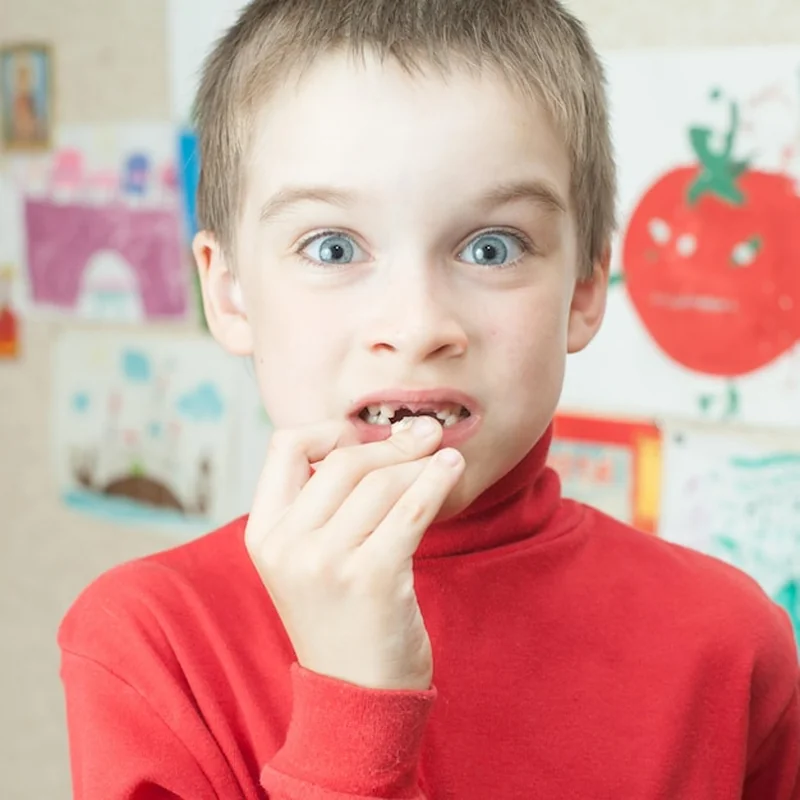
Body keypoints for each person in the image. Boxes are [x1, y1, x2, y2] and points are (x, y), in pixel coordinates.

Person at [58, 1, 800, 797]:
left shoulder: (731, 640)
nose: (417, 327)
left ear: (584, 290)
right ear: (230, 294)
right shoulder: (148, 642)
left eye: (492, 247)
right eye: (333, 247)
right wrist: (354, 710)